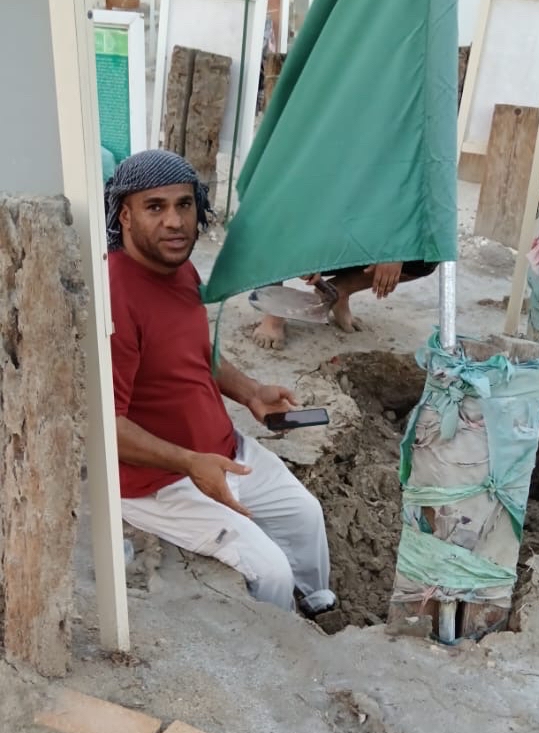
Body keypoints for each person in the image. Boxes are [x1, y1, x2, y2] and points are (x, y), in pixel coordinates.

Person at [106, 149, 336, 617]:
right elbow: (108, 427)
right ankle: (279, 644)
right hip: (161, 483)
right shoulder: (114, 296)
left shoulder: (180, 269)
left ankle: (317, 613)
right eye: (155, 207)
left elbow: (194, 353)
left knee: (305, 516)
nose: (175, 222)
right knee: (270, 571)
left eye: (184, 204)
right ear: (125, 215)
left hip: (224, 452)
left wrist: (251, 393)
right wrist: (190, 462)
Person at [252, 260, 437, 350]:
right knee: (274, 218)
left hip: (351, 222)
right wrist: (307, 249)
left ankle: (341, 289)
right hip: (307, 219)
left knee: (426, 254)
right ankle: (274, 308)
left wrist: (394, 251)